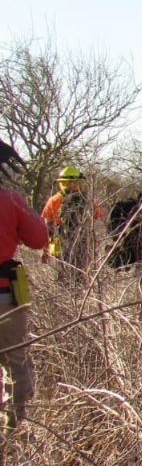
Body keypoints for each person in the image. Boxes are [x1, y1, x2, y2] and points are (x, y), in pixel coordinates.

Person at [0, 140, 50, 432]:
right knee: (16, 364)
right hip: (5, 297)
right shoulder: (10, 199)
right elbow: (38, 239)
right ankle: (13, 430)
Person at [41, 165, 103, 282]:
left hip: (60, 243)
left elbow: (47, 227)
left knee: (61, 277)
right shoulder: (88, 200)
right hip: (84, 244)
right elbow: (98, 218)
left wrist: (45, 250)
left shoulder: (54, 200)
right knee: (81, 276)